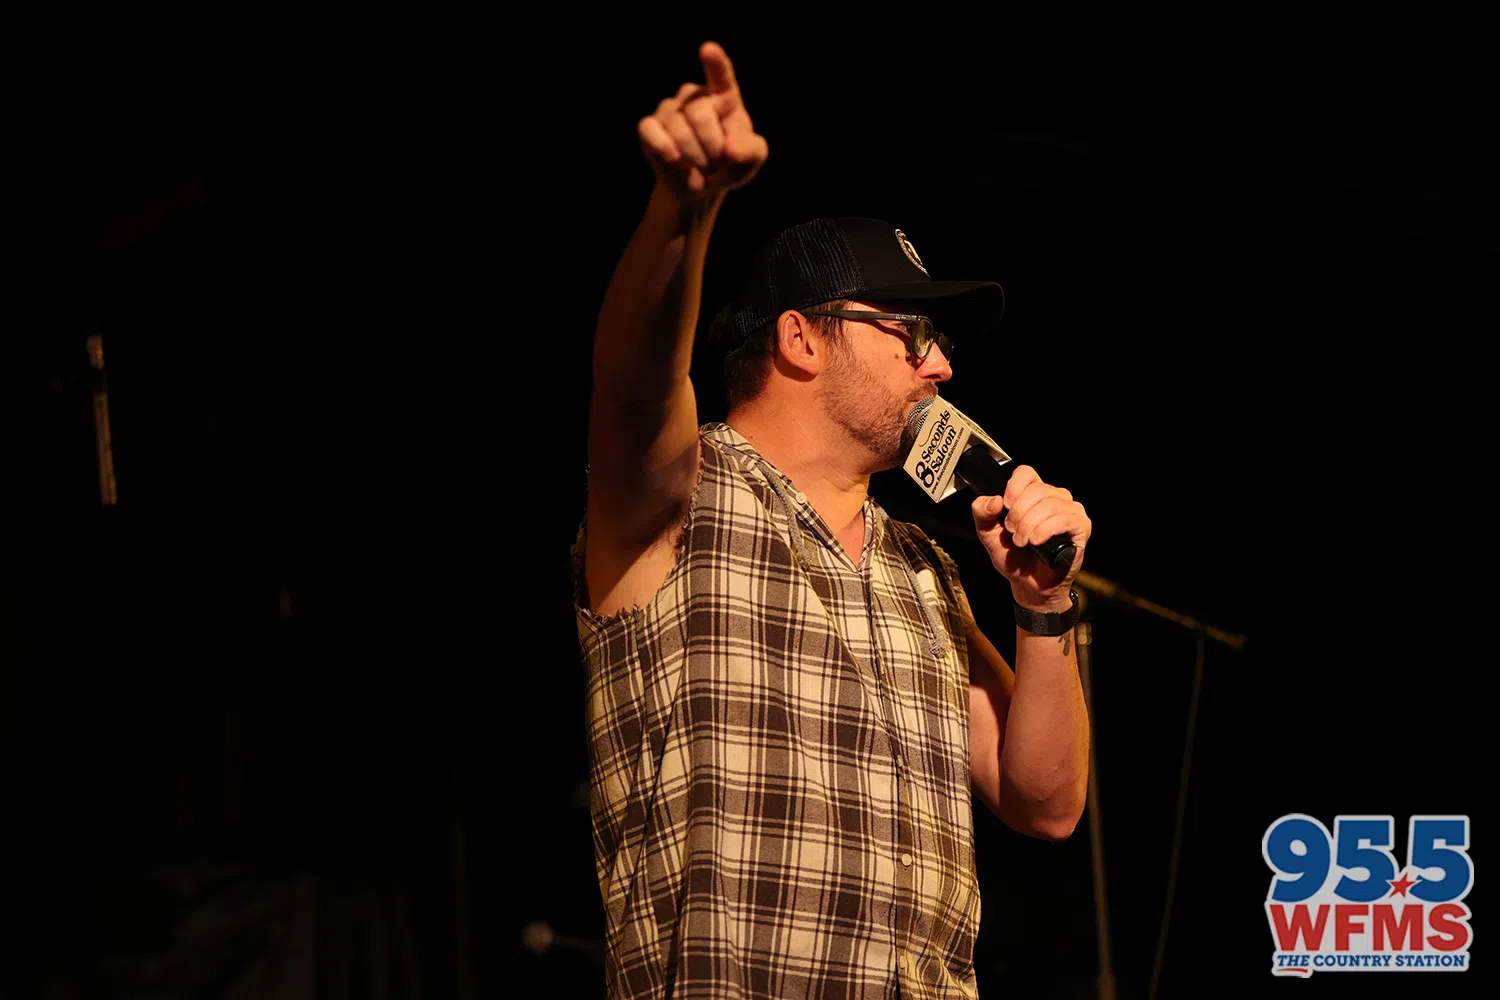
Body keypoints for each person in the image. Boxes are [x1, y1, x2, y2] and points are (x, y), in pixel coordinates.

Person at [573, 40, 1092, 1000]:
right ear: (801, 337)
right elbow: (635, 385)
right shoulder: (686, 498)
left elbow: (1047, 804)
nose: (941, 366)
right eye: (911, 333)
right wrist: (686, 208)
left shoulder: (923, 569)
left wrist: (1043, 606)